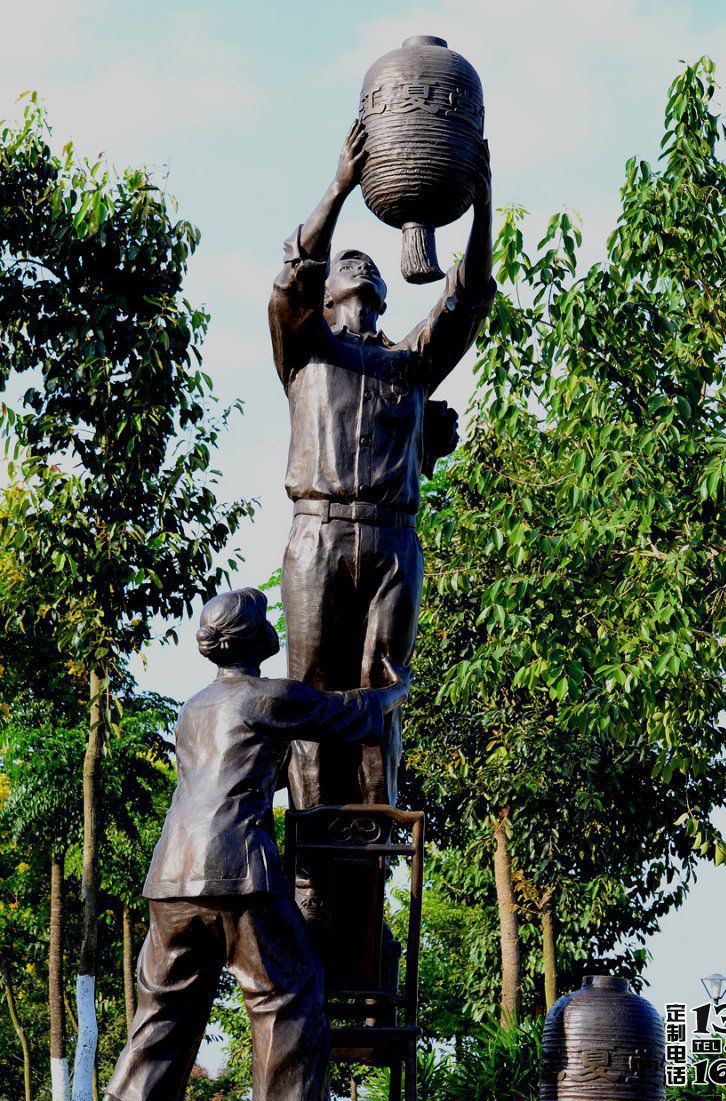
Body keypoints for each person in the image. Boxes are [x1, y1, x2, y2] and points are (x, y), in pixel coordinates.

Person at [269, 120, 496, 835]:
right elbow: (293, 273)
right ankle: (313, 845)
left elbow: (467, 300)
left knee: (382, 691)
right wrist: (341, 185)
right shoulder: (305, 351)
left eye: (372, 288)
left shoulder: (409, 364)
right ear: (325, 301)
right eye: (348, 280)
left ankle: (371, 846)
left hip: (394, 542)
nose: (362, 289)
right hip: (319, 534)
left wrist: (483, 205)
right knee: (312, 693)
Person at [104, 587, 406, 1101]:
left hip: (171, 875)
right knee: (288, 997)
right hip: (237, 869)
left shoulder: (194, 708)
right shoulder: (270, 696)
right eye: (266, 618)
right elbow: (351, 714)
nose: (273, 626)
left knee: (164, 1011)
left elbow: (228, 773)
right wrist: (398, 688)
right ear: (252, 637)